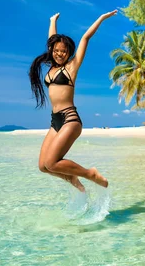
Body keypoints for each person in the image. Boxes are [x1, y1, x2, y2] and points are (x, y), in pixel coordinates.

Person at [28, 10, 117, 192]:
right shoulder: (52, 66)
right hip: (55, 122)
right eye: (56, 50)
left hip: (70, 119)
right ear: (52, 51)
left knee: (52, 162)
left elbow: (85, 38)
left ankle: (90, 173)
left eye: (64, 51)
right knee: (44, 166)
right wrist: (52, 20)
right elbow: (52, 38)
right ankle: (73, 178)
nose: (59, 53)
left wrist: (101, 18)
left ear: (68, 52)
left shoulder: (71, 67)